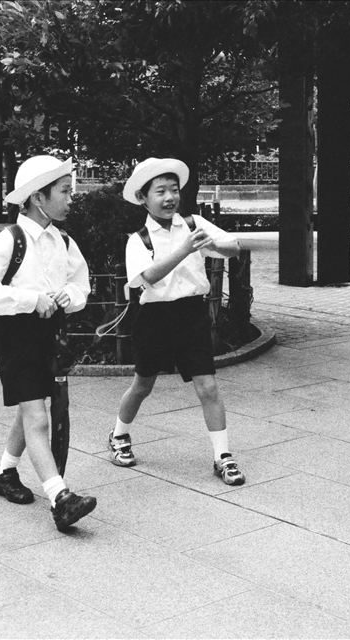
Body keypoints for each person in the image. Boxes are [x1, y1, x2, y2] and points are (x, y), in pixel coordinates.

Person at [0, 155, 97, 531]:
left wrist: (65, 298)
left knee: (32, 406)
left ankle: (5, 472)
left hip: (50, 335)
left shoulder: (63, 240)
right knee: (38, 415)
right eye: (65, 191)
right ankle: (60, 497)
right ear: (39, 198)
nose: (72, 199)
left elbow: (81, 283)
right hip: (17, 336)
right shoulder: (8, 241)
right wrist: (30, 299)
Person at [108, 157, 246, 486]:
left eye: (174, 189)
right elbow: (149, 277)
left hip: (192, 315)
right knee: (143, 385)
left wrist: (214, 245)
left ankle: (222, 456)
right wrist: (186, 249)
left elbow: (234, 248)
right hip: (154, 317)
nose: (170, 197)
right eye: (160, 191)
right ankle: (118, 435)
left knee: (208, 387)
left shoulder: (193, 222)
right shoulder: (138, 240)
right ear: (143, 198)